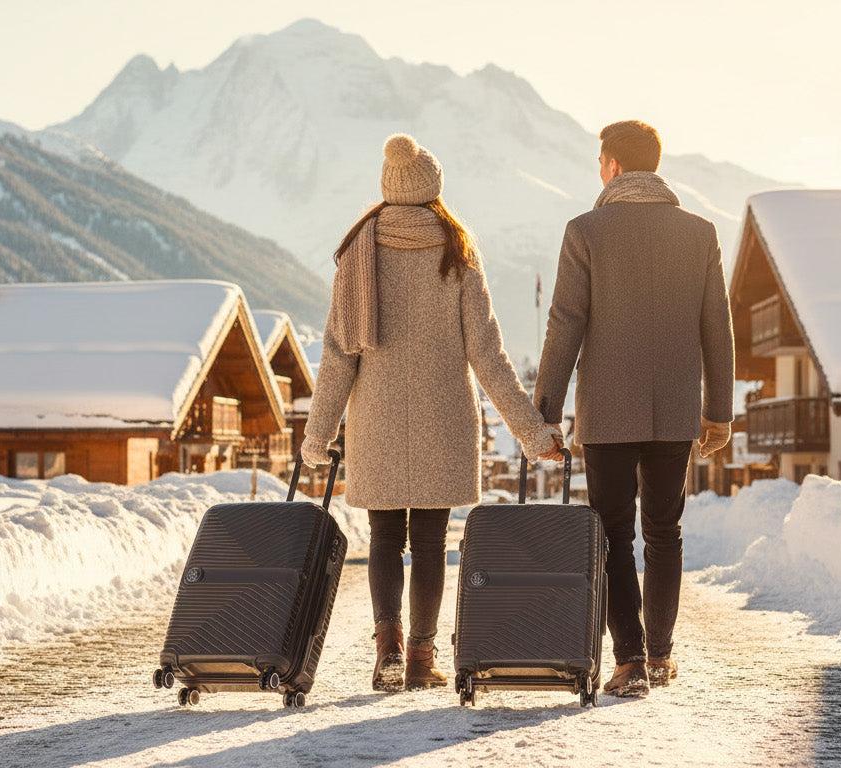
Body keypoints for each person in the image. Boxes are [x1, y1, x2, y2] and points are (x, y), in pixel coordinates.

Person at [301, 134, 562, 693]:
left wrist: (317, 434)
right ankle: (421, 657)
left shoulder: (357, 252)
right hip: (445, 418)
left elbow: (338, 352)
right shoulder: (458, 250)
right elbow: (488, 354)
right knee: (428, 542)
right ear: (433, 188)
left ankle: (387, 651)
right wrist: (531, 431)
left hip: (376, 420)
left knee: (384, 537)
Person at [533, 120, 734, 697]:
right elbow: (715, 329)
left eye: (600, 163)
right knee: (665, 533)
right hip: (675, 410)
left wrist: (545, 412)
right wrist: (718, 411)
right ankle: (664, 655)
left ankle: (630, 662)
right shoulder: (699, 232)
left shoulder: (585, 230)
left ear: (613, 166)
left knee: (614, 535)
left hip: (608, 413)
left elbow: (565, 324)